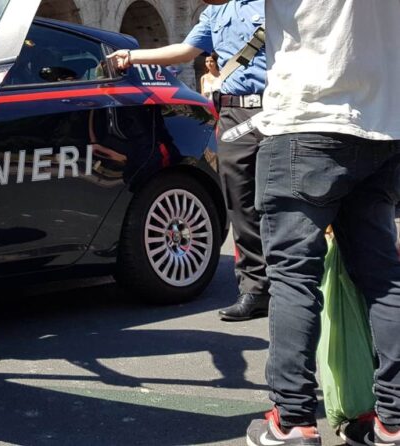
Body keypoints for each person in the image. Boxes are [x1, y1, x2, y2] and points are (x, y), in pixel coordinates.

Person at [243, 1, 400, 445]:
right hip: (384, 122)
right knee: (384, 278)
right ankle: (393, 420)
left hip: (307, 118)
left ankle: (293, 419)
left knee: (294, 278)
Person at [109, 0, 270, 321]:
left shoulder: (273, 5)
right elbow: (184, 51)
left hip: (276, 107)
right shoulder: (214, 14)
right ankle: (256, 289)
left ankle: (301, 280)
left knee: (283, 197)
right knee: (240, 202)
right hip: (234, 114)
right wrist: (131, 56)